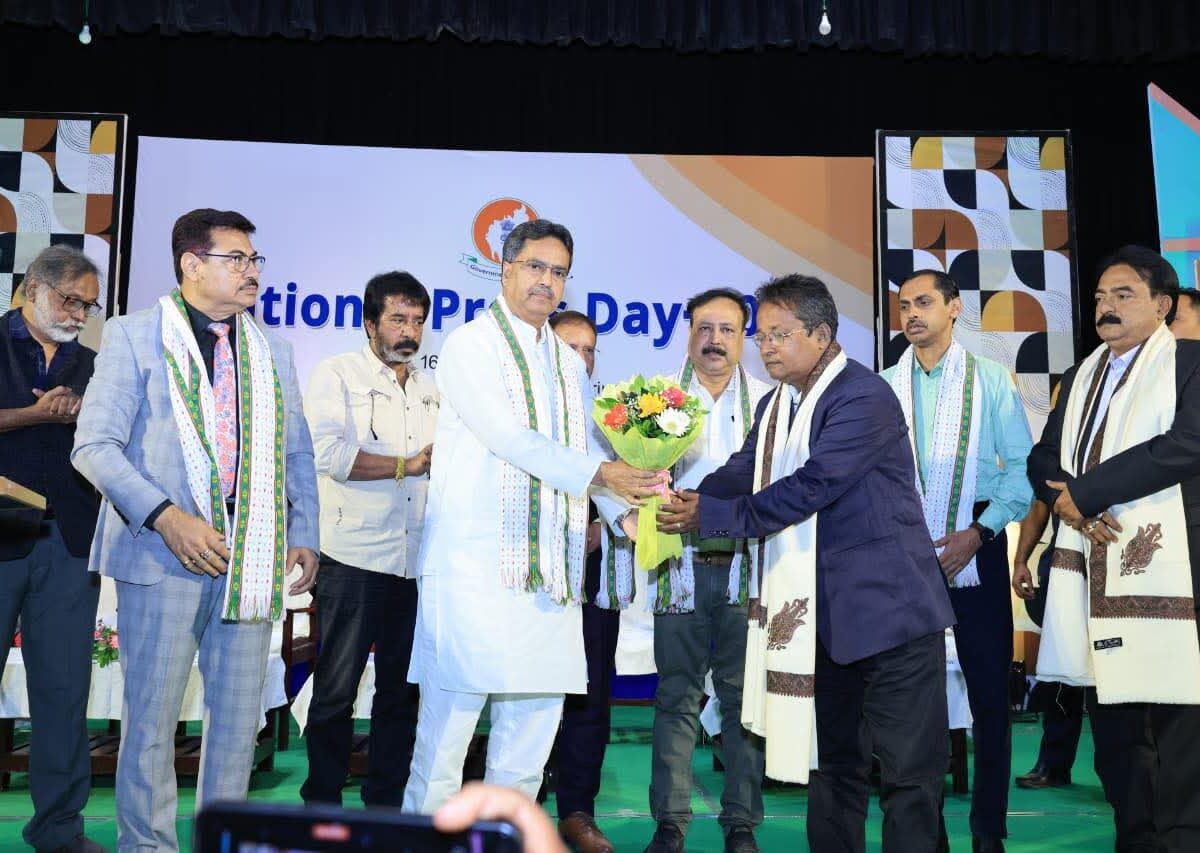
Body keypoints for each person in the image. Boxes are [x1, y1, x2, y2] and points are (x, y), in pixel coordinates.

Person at [658, 274, 955, 853]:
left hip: (890, 618)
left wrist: (709, 516)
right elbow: (741, 471)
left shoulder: (863, 396)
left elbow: (814, 485)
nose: (766, 347)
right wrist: (676, 499)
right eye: (762, 336)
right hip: (822, 622)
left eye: (780, 334)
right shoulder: (778, 404)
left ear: (821, 335)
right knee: (834, 769)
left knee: (909, 778)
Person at [72, 209, 320, 851]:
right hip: (161, 555)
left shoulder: (272, 349)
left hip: (251, 556)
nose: (252, 271)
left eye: (254, 260)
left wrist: (305, 530)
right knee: (152, 724)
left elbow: (296, 451)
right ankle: (146, 846)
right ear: (191, 264)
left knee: (238, 726)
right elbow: (93, 447)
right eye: (237, 259)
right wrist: (166, 516)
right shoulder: (134, 336)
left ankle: (223, 841)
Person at [402, 219, 661, 814]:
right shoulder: (470, 344)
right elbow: (509, 438)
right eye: (535, 267)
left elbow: (585, 447)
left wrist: (625, 512)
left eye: (559, 272)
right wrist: (604, 477)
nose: (547, 281)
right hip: (476, 571)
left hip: (549, 573)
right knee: (445, 743)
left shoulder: (567, 363)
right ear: (505, 268)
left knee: (529, 741)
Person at [1029, 245, 1200, 851]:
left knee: (1179, 731)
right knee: (1117, 734)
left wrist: (1087, 494)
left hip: (1176, 574)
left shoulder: (1190, 362)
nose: (1106, 306)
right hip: (1091, 570)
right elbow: (1043, 456)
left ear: (1162, 304)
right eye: (1101, 296)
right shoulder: (1081, 375)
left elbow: (1187, 443)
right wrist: (1072, 501)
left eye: (1123, 294)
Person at [881, 269, 1033, 853]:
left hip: (976, 543)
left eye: (924, 302)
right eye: (904, 306)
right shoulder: (884, 386)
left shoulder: (990, 379)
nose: (912, 314)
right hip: (904, 551)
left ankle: (988, 830)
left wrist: (979, 532)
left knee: (990, 697)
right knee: (912, 704)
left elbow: (1021, 473)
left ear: (954, 308)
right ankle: (928, 833)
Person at [632, 287, 771, 853]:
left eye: (727, 330)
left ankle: (741, 825)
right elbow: (629, 478)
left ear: (744, 338)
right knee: (677, 698)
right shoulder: (653, 404)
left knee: (743, 701)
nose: (714, 340)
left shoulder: (770, 403)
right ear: (687, 334)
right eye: (704, 329)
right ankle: (670, 824)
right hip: (679, 566)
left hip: (747, 568)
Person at [299, 271, 436, 807]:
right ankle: (322, 804)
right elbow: (326, 454)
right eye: (398, 319)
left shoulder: (431, 390)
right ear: (369, 322)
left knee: (401, 693)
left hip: (415, 562)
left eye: (417, 321)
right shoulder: (336, 374)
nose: (409, 332)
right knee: (336, 690)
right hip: (353, 556)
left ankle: (385, 807)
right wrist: (408, 464)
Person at [0, 246, 105, 853]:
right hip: (0, 535)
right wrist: (34, 414)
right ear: (32, 288)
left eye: (88, 306)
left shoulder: (94, 364)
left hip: (69, 542)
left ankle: (60, 829)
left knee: (64, 693)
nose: (79, 315)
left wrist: (90, 416)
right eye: (71, 301)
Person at [547, 310, 620, 853]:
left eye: (589, 349)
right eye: (570, 348)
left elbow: (630, 488)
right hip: (530, 574)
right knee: (527, 692)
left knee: (590, 697)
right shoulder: (522, 417)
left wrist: (603, 525)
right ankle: (519, 804)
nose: (581, 359)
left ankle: (577, 811)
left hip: (593, 574)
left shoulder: (610, 420)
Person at [1010, 499, 1083, 791]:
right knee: (1061, 672)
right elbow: (1040, 503)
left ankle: (1125, 771)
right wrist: (1020, 560)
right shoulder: (1053, 467)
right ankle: (1054, 763)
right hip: (1062, 565)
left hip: (1119, 558)